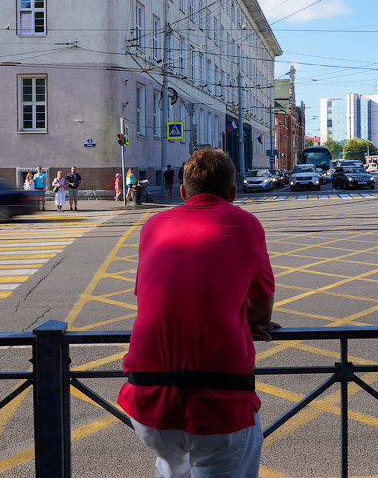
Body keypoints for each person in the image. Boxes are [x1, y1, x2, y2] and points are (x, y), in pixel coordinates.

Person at [118, 148, 279, 478]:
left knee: (172, 467)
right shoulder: (246, 224)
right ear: (233, 193)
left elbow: (153, 295)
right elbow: (261, 308)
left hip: (147, 398)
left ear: (182, 192)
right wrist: (243, 321)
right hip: (219, 398)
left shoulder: (153, 225)